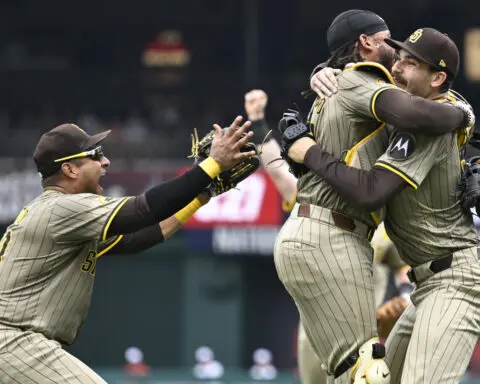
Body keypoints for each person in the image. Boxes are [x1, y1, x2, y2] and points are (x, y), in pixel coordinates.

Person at [272, 9, 473, 384]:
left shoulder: (424, 122)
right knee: (365, 376)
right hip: (421, 276)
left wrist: (307, 151)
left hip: (454, 277)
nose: (397, 66)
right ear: (365, 44)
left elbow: (372, 190)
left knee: (369, 377)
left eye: (410, 62)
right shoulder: (378, 100)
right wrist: (324, 70)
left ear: (438, 78)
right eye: (396, 53)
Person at [0, 118, 255, 384]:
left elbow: (138, 238)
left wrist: (202, 195)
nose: (105, 161)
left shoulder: (61, 214)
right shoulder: (62, 209)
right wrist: (211, 165)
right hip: (15, 341)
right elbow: (143, 210)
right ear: (70, 169)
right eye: (95, 155)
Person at [245, 89, 413, 384]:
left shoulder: (383, 216)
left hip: (363, 328)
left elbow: (404, 270)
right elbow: (280, 174)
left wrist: (405, 299)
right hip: (317, 329)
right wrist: (258, 123)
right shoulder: (319, 196)